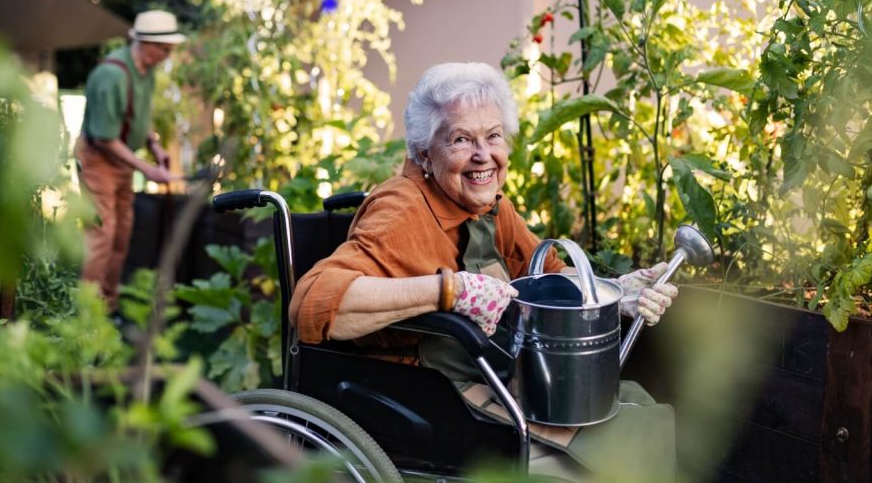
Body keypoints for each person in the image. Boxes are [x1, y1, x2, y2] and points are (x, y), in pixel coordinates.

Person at [289, 61, 679, 481]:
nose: (483, 155)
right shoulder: (400, 212)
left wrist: (615, 291)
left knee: (633, 411)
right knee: (608, 456)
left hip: (493, 370)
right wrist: (449, 291)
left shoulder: (490, 204)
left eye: (493, 136)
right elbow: (313, 303)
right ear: (423, 153)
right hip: (431, 396)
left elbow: (547, 277)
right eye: (461, 139)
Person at [76, 9, 184, 311]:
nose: (167, 55)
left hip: (123, 159)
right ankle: (85, 316)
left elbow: (139, 116)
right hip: (98, 159)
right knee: (101, 235)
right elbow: (103, 138)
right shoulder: (111, 75)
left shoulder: (145, 72)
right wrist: (148, 170)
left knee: (121, 234)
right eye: (164, 49)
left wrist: (154, 146)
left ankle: (107, 307)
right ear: (146, 43)